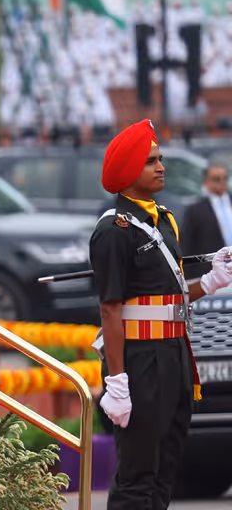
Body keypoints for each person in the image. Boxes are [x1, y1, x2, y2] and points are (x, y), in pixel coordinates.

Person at [91, 120, 232, 509]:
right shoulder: (115, 230)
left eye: (160, 158)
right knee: (138, 475)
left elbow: (171, 298)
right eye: (149, 161)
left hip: (174, 353)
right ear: (126, 171)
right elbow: (111, 308)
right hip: (140, 360)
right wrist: (117, 380)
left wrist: (212, 281)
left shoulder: (164, 220)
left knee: (166, 470)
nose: (160, 166)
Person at [180, 163, 232, 261]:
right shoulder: (195, 211)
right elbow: (186, 244)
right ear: (206, 182)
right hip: (213, 267)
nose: (222, 182)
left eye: (224, 178)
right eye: (217, 179)